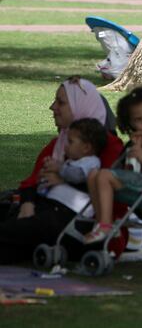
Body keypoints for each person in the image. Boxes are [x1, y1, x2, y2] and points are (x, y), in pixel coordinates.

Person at [0, 78, 124, 263]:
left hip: (77, 223)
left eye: (61, 102)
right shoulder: (59, 144)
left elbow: (112, 197)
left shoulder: (109, 148)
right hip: (45, 209)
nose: (53, 107)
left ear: (79, 106)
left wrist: (63, 178)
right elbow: (32, 181)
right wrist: (28, 203)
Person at [85, 86, 142, 243]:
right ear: (130, 122)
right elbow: (132, 166)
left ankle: (106, 225)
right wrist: (136, 147)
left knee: (104, 175)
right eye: (138, 120)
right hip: (140, 182)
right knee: (94, 174)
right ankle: (102, 222)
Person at [38, 118, 105, 198]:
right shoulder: (72, 161)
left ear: (86, 148)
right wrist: (49, 168)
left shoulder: (91, 162)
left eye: (70, 142)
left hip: (74, 206)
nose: (66, 145)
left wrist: (58, 168)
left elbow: (76, 176)